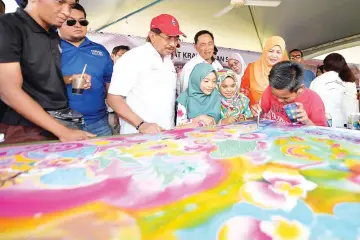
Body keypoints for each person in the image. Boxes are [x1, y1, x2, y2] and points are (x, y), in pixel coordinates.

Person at [0, 0, 95, 144]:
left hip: (59, 120)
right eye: (60, 2)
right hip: (26, 127)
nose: (66, 11)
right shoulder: (7, 26)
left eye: (70, 5)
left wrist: (70, 79)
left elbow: (43, 78)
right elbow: (8, 91)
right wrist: (63, 131)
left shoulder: (52, 34)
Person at [108, 14, 185, 134]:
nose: (173, 44)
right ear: (152, 36)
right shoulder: (133, 57)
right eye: (168, 38)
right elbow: (113, 98)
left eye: (176, 39)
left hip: (165, 132)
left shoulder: (168, 60)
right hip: (138, 135)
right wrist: (141, 124)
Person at [59, 3, 113, 136]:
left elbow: (110, 84)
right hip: (63, 124)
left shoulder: (100, 51)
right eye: (71, 21)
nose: (78, 25)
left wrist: (114, 112)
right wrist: (70, 79)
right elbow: (41, 81)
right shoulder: (51, 48)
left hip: (100, 123)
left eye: (82, 21)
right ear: (59, 22)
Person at [252, 61, 327, 127]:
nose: (279, 100)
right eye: (275, 96)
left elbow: (321, 133)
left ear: (300, 89)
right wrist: (258, 111)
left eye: (285, 98)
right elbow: (263, 110)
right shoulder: (273, 89)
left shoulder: (313, 100)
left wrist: (306, 121)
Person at [310, 53, 358, 127]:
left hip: (320, 122)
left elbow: (312, 103)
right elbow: (351, 107)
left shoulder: (317, 81)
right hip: (342, 124)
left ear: (325, 66)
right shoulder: (348, 81)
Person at [240, 36, 288, 107]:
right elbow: (243, 94)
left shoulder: (287, 72)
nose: (274, 55)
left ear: (283, 54)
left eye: (278, 52)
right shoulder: (252, 68)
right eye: (271, 51)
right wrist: (249, 108)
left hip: (278, 115)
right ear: (265, 51)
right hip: (254, 115)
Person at [177, 30, 223, 95]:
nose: (207, 48)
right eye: (203, 45)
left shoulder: (218, 65)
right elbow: (185, 94)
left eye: (210, 44)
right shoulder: (190, 67)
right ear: (196, 47)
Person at [176, 63, 220, 128]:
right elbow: (179, 125)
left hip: (214, 136)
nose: (211, 85)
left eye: (214, 81)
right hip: (190, 136)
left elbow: (220, 120)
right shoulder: (184, 98)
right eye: (206, 81)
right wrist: (200, 118)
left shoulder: (215, 94)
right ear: (196, 79)